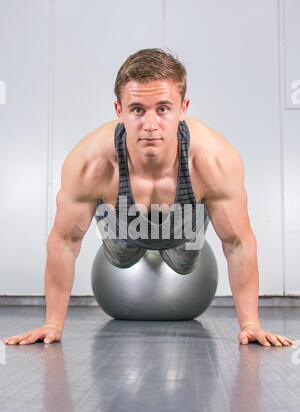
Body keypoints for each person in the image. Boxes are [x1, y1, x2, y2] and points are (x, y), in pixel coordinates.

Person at [2, 48, 294, 347]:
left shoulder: (213, 160)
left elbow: (238, 243)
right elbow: (65, 242)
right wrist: (52, 323)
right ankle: (123, 235)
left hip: (184, 232)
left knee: (183, 263)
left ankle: (183, 236)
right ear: (119, 111)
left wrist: (251, 324)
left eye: (163, 109)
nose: (151, 124)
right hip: (122, 231)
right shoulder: (91, 162)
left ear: (184, 108)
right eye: (138, 109)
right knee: (120, 253)